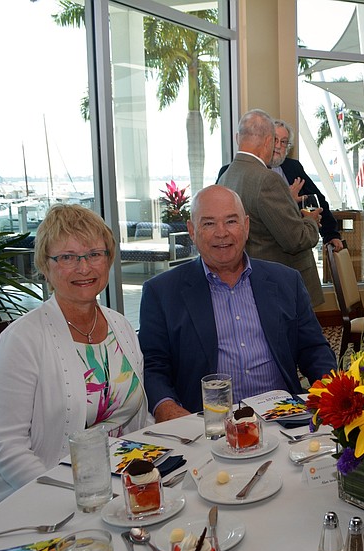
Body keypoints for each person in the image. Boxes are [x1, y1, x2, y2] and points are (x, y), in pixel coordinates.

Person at [0, 204, 147, 515]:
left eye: (94, 254)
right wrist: (68, 498)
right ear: (45, 265)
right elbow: (5, 446)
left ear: (109, 259)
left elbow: (136, 417)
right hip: (36, 499)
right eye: (68, 257)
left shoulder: (120, 326)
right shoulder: (22, 340)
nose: (84, 268)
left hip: (114, 487)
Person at [139, 185, 337, 423]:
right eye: (209, 223)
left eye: (231, 221)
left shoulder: (286, 281)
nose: (221, 233)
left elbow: (313, 349)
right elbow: (153, 366)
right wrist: (166, 407)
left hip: (283, 417)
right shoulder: (162, 292)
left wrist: (330, 390)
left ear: (246, 226)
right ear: (192, 230)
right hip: (206, 424)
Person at [218, 109, 325, 306]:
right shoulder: (267, 180)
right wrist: (310, 222)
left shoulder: (226, 177)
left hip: (254, 281)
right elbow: (296, 240)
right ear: (269, 141)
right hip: (281, 287)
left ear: (238, 138)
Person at [270, 120, 344, 252]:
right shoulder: (255, 170)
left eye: (283, 142)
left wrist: (330, 234)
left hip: (298, 245)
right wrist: (288, 199)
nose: (278, 146)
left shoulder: (293, 168)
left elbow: (317, 199)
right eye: (275, 140)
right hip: (270, 248)